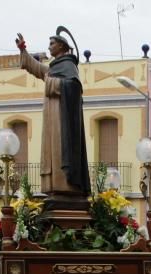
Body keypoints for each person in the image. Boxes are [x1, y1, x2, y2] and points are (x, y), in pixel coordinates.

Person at [15, 30, 91, 197]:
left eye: (52, 44)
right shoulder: (55, 66)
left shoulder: (69, 65)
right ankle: (54, 186)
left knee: (59, 148)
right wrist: (23, 50)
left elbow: (74, 87)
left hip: (61, 117)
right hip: (52, 115)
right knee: (51, 149)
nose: (49, 47)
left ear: (61, 45)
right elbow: (37, 68)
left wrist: (51, 83)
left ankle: (65, 185)